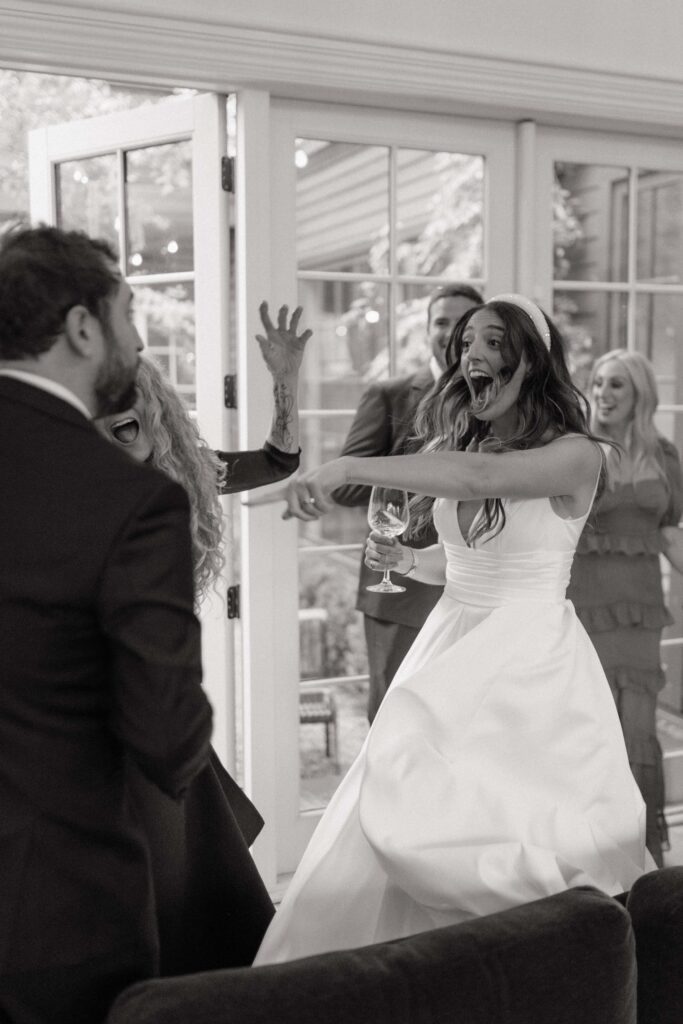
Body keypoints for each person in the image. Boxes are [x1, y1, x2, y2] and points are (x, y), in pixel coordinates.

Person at [253, 293, 651, 966]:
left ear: (533, 358)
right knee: (404, 805)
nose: (473, 356)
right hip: (450, 641)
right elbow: (460, 559)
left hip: (529, 669)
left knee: (512, 834)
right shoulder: (465, 439)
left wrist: (347, 466)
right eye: (466, 345)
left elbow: (478, 479)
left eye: (494, 343)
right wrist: (408, 559)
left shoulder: (576, 455)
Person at [0, 224, 212, 1024]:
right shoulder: (129, 501)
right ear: (83, 328)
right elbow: (166, 736)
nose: (138, 335)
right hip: (52, 905)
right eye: (128, 311)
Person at [95, 303, 312, 975]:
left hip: (150, 691)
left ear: (154, 422)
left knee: (180, 842)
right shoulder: (61, 486)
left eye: (125, 428)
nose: (106, 445)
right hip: (90, 694)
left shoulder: (185, 472)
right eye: (90, 429)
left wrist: (284, 380)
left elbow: (277, 460)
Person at [333, 284, 483, 721]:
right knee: (395, 723)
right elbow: (346, 486)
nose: (451, 332)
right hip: (399, 591)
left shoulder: (499, 404)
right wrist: (419, 470)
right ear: (427, 332)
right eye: (441, 321)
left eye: (463, 323)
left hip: (474, 584)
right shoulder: (390, 395)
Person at [567, 348, 683, 867]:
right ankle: (587, 858)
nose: (602, 394)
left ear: (640, 394)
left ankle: (639, 859)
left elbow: (668, 534)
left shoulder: (664, 456)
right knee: (590, 734)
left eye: (616, 385)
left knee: (637, 732)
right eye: (597, 383)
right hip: (582, 611)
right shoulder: (580, 453)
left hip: (639, 613)